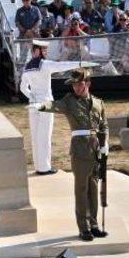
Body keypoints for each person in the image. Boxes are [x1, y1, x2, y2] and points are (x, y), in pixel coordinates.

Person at [32, 69, 108, 241]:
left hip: (95, 149)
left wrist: (105, 146)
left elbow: (104, 126)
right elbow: (55, 105)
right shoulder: (69, 101)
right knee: (81, 190)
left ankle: (94, 224)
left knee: (94, 189)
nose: (76, 88)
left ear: (88, 84)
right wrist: (40, 106)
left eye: (79, 84)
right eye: (74, 84)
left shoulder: (98, 103)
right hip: (80, 150)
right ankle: (83, 228)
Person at [20, 40, 98, 175]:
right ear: (37, 51)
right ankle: (44, 168)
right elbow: (64, 65)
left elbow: (22, 87)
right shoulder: (45, 65)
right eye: (43, 50)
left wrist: (31, 96)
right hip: (46, 104)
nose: (45, 52)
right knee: (44, 136)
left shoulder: (27, 66)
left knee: (35, 137)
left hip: (33, 104)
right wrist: (82, 64)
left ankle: (39, 166)